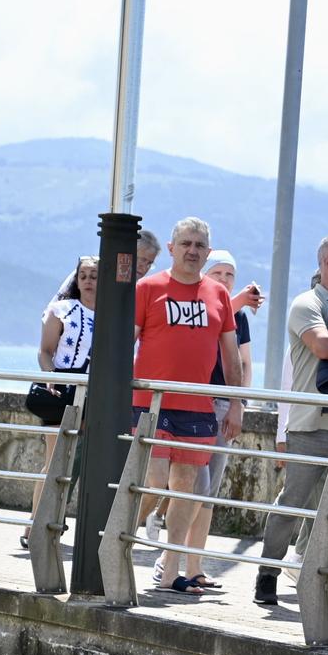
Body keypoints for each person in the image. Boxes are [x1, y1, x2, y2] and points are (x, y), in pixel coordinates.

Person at [130, 218, 243, 596]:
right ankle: (120, 536)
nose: (192, 251)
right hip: (151, 404)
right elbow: (125, 344)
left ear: (206, 252)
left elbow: (231, 356)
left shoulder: (219, 295)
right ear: (172, 247)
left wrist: (236, 404)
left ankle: (171, 570)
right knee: (155, 481)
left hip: (198, 408)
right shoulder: (148, 288)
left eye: (199, 245)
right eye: (186, 244)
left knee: (185, 489)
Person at [256, 235, 328, 608]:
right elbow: (323, 346)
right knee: (293, 502)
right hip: (311, 423)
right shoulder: (306, 304)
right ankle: (267, 573)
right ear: (327, 262)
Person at [27, 257, 98, 537]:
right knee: (55, 458)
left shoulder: (111, 315)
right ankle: (34, 523)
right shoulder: (61, 310)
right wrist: (51, 376)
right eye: (83, 275)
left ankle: (53, 519)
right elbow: (45, 350)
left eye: (94, 276)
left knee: (74, 462)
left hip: (93, 392)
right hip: (63, 388)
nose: (88, 281)